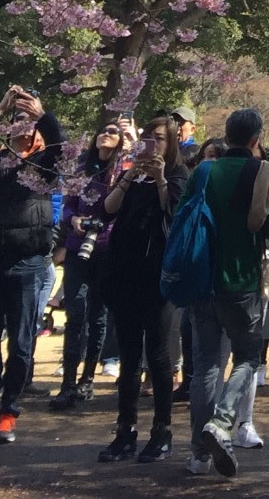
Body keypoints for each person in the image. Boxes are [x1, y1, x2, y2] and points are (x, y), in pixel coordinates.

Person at [187, 107, 269, 477]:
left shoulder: (203, 171)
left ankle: (198, 454)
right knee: (247, 357)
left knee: (205, 367)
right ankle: (223, 420)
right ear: (256, 139)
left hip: (202, 279)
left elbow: (186, 215)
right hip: (242, 281)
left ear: (226, 137)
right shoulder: (261, 173)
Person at [95, 112, 188, 464]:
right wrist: (128, 176)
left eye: (160, 138)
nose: (153, 144)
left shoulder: (179, 174)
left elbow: (176, 213)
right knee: (130, 357)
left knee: (159, 356)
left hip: (158, 277)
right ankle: (125, 430)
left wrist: (162, 179)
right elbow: (107, 210)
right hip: (125, 273)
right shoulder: (133, 175)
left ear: (173, 142)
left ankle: (162, 431)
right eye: (148, 137)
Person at [51, 119, 126, 409]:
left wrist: (102, 229)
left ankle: (87, 380)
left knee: (98, 315)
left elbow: (121, 210)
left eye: (113, 132)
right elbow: (68, 203)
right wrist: (74, 220)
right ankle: (67, 382)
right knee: (76, 313)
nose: (106, 135)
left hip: (106, 250)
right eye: (103, 130)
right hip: (77, 249)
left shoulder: (122, 170)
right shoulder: (81, 168)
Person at [0, 111, 56, 445]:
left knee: (20, 344)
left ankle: (7, 412)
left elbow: (60, 147)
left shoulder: (44, 167)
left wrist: (44, 115)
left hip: (29, 264)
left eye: (29, 126)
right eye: (16, 125)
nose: (24, 131)